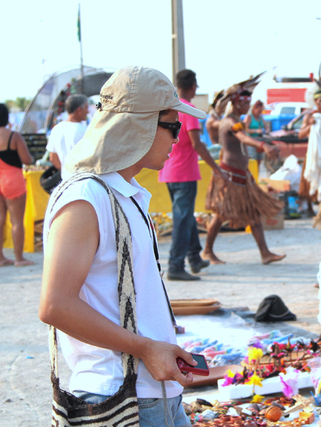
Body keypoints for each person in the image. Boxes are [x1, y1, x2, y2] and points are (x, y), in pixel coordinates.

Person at [39, 66, 202, 426]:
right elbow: (54, 305)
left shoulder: (124, 193)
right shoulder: (86, 198)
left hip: (157, 393)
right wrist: (145, 346)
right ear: (139, 125)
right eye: (171, 127)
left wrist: (159, 332)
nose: (177, 139)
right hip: (119, 396)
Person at [202, 75, 286, 265]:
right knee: (221, 214)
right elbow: (243, 138)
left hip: (241, 175)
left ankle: (265, 253)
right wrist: (263, 146)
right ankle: (207, 251)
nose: (248, 106)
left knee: (253, 213)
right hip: (230, 176)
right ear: (237, 103)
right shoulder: (230, 122)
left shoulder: (235, 120)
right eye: (246, 102)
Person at [158, 69, 224, 281]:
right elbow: (197, 143)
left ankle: (194, 257)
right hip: (184, 173)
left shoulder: (170, 108)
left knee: (186, 217)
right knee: (182, 219)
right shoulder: (190, 110)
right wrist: (216, 168)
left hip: (169, 170)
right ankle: (176, 265)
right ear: (193, 86)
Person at [0, 103, 34, 267]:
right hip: (12, 181)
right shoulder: (14, 136)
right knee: (17, 221)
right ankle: (19, 258)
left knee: (0, 220)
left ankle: (0, 257)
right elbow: (27, 160)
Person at [299, 86, 321, 217]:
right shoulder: (309, 116)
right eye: (319, 100)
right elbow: (301, 134)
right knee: (309, 180)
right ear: (315, 101)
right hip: (313, 153)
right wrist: (310, 125)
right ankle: (309, 207)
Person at [46, 94, 89, 172]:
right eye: (86, 108)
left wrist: (65, 171)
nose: (88, 111)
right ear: (79, 110)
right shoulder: (84, 130)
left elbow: (52, 158)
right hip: (82, 178)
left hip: (66, 179)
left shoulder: (57, 129)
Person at [242, 99, 267, 168]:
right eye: (259, 110)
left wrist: (265, 130)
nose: (260, 112)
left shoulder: (260, 117)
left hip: (259, 141)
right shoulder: (249, 117)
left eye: (261, 110)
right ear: (254, 109)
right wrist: (256, 131)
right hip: (251, 141)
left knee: (259, 159)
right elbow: (245, 129)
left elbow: (266, 126)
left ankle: (256, 175)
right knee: (253, 160)